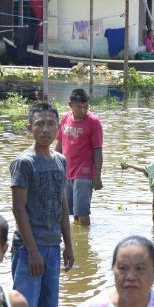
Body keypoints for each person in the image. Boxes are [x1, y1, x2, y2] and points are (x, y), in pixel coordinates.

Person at [10, 102, 74, 307]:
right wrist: (33, 250)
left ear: (58, 127)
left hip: (52, 245)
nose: (45, 129)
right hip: (29, 249)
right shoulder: (24, 162)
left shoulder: (60, 160)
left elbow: (62, 204)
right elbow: (18, 209)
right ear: (30, 128)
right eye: (39, 124)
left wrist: (68, 245)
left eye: (50, 123)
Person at [56, 88, 103, 227]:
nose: (83, 110)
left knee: (82, 211)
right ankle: (77, 239)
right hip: (67, 170)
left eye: (86, 107)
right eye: (79, 107)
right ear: (70, 105)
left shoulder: (93, 121)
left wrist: (97, 175)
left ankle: (84, 244)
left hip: (84, 171)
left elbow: (98, 150)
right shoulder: (65, 118)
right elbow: (60, 143)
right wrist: (53, 164)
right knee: (71, 211)